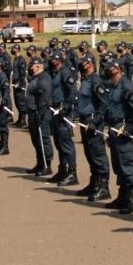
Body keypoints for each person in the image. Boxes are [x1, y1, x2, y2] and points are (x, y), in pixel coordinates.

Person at [102, 58, 133, 214]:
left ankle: (132, 199)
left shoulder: (126, 86)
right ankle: (122, 196)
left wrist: (130, 126)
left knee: (126, 162)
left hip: (123, 127)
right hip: (114, 126)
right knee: (117, 163)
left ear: (118, 69)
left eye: (111, 67)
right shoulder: (113, 85)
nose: (108, 70)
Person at [75, 55, 111, 201]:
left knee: (98, 153)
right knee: (89, 153)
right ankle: (94, 183)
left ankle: (104, 187)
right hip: (84, 120)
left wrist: (95, 121)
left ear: (90, 64)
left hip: (92, 121)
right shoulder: (86, 79)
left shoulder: (95, 80)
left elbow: (103, 103)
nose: (80, 66)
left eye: (83, 64)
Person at [47, 51, 79, 186]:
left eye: (55, 59)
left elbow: (72, 90)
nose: (52, 61)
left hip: (63, 111)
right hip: (55, 110)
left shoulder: (65, 73)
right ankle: (62, 169)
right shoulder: (54, 72)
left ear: (60, 60)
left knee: (66, 142)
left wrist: (67, 107)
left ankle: (72, 173)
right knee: (58, 142)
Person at [25, 58, 55, 177]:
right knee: (36, 140)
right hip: (33, 113)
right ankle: (40, 163)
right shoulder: (35, 78)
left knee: (43, 139)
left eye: (32, 66)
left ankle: (47, 165)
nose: (30, 68)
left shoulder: (44, 79)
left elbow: (44, 99)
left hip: (41, 114)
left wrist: (40, 113)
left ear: (38, 67)